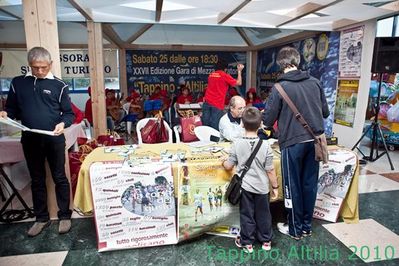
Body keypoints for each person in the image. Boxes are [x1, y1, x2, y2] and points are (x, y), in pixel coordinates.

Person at [0, 47, 75, 237]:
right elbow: (12, 108)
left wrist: (62, 124)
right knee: (37, 179)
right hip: (30, 139)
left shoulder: (59, 85)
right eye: (35, 68)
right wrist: (6, 113)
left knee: (59, 177)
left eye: (43, 67)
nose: (40, 71)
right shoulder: (19, 83)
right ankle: (41, 218)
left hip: (54, 139)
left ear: (50, 64)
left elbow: (69, 113)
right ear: (29, 66)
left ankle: (65, 216)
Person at [262, 46, 330, 240]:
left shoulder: (279, 87)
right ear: (297, 61)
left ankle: (294, 228)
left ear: (281, 64)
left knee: (292, 186)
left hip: (292, 142)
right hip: (315, 142)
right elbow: (325, 112)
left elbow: (267, 120)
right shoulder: (316, 82)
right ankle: (306, 226)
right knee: (309, 185)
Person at [222, 107, 278, 254]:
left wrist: (223, 161)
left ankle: (247, 243)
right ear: (260, 125)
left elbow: (228, 166)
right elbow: (270, 170)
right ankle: (266, 241)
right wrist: (275, 187)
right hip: (263, 188)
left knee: (247, 215)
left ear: (241, 123)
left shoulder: (236, 143)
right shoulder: (266, 145)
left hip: (245, 188)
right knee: (264, 214)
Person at [201, 60, 244, 130]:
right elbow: (239, 83)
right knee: (215, 126)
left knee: (205, 125)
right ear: (225, 69)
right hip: (217, 104)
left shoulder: (211, 75)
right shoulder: (224, 75)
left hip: (207, 102)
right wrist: (239, 71)